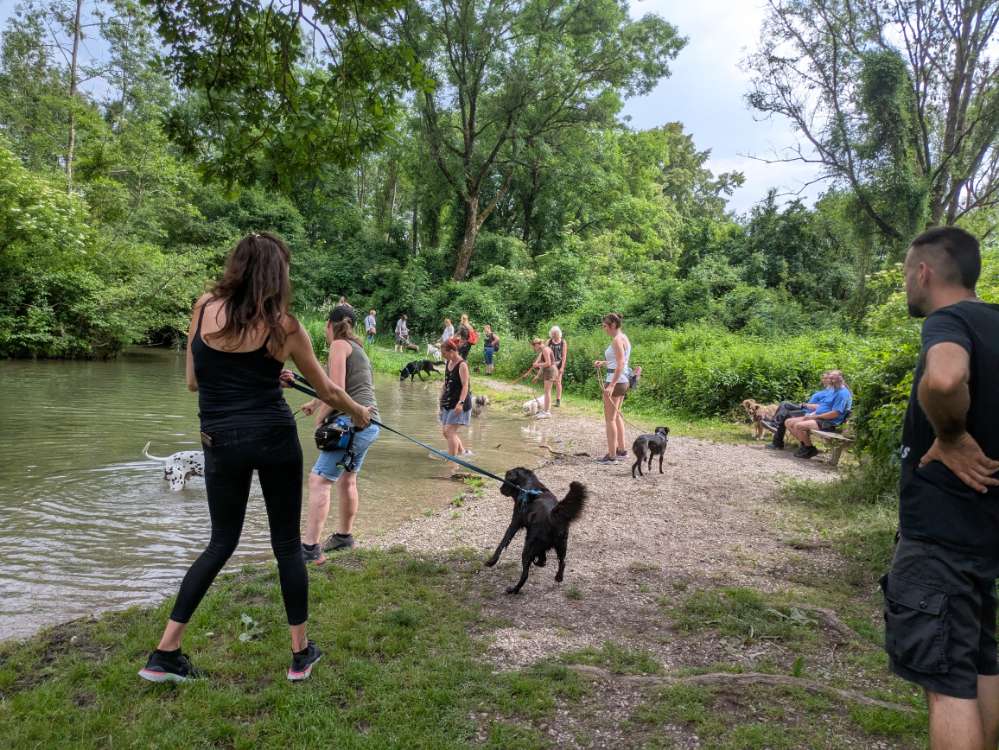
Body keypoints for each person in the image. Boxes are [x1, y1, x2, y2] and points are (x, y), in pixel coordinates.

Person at [139, 233, 372, 685]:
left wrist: (260, 376)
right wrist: (360, 411)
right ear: (277, 274)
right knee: (286, 546)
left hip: (219, 440)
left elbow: (193, 381)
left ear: (235, 266)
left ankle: (165, 653)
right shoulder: (283, 325)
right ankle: (300, 655)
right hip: (272, 437)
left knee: (220, 542)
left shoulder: (204, 306)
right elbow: (327, 391)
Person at [881, 226, 999, 750]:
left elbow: (946, 379)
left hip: (941, 535)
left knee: (946, 685)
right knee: (980, 664)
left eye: (908, 274)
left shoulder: (947, 321)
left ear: (923, 272)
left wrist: (950, 435)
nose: (908, 284)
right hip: (985, 532)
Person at [299, 305, 380, 565]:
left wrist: (321, 417)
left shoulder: (338, 345)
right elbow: (333, 387)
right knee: (347, 479)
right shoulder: (356, 348)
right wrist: (315, 403)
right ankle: (344, 537)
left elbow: (338, 392)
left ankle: (309, 549)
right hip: (370, 422)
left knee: (319, 480)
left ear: (328, 325)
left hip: (352, 422)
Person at [784, 370, 852, 459]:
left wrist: (816, 416)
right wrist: (812, 414)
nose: (830, 380)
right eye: (829, 378)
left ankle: (809, 448)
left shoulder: (842, 393)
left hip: (829, 422)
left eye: (832, 378)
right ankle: (805, 446)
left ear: (841, 379)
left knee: (799, 425)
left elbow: (835, 414)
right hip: (818, 417)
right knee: (788, 421)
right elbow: (822, 406)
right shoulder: (833, 390)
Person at [593, 313, 631, 463]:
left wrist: (612, 385)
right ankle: (621, 451)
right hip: (623, 381)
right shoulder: (624, 337)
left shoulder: (616, 340)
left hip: (616, 382)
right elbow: (618, 361)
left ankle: (612, 455)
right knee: (616, 416)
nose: (604, 329)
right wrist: (603, 363)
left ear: (613, 325)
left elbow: (621, 363)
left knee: (610, 420)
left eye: (605, 326)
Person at [439, 337, 472, 458]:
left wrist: (461, 403)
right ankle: (462, 452)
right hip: (449, 401)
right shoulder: (448, 362)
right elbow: (446, 383)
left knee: (449, 431)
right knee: (445, 432)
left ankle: (452, 462)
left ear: (452, 351)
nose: (443, 356)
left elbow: (465, 386)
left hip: (460, 403)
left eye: (444, 353)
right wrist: (441, 400)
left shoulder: (462, 365)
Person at [529, 337, 557, 418]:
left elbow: (548, 363)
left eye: (534, 346)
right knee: (546, 392)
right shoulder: (544, 350)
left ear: (537, 344)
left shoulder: (545, 350)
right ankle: (546, 411)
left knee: (547, 392)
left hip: (550, 370)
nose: (534, 348)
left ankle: (547, 412)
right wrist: (537, 376)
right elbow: (543, 365)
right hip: (548, 370)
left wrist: (537, 365)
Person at [548, 326, 568, 407]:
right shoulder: (549, 341)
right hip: (550, 365)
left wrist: (562, 367)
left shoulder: (563, 342)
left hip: (559, 365)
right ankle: (547, 399)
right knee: (549, 382)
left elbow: (564, 356)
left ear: (558, 333)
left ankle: (558, 400)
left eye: (555, 334)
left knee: (558, 382)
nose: (554, 335)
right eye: (552, 334)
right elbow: (545, 352)